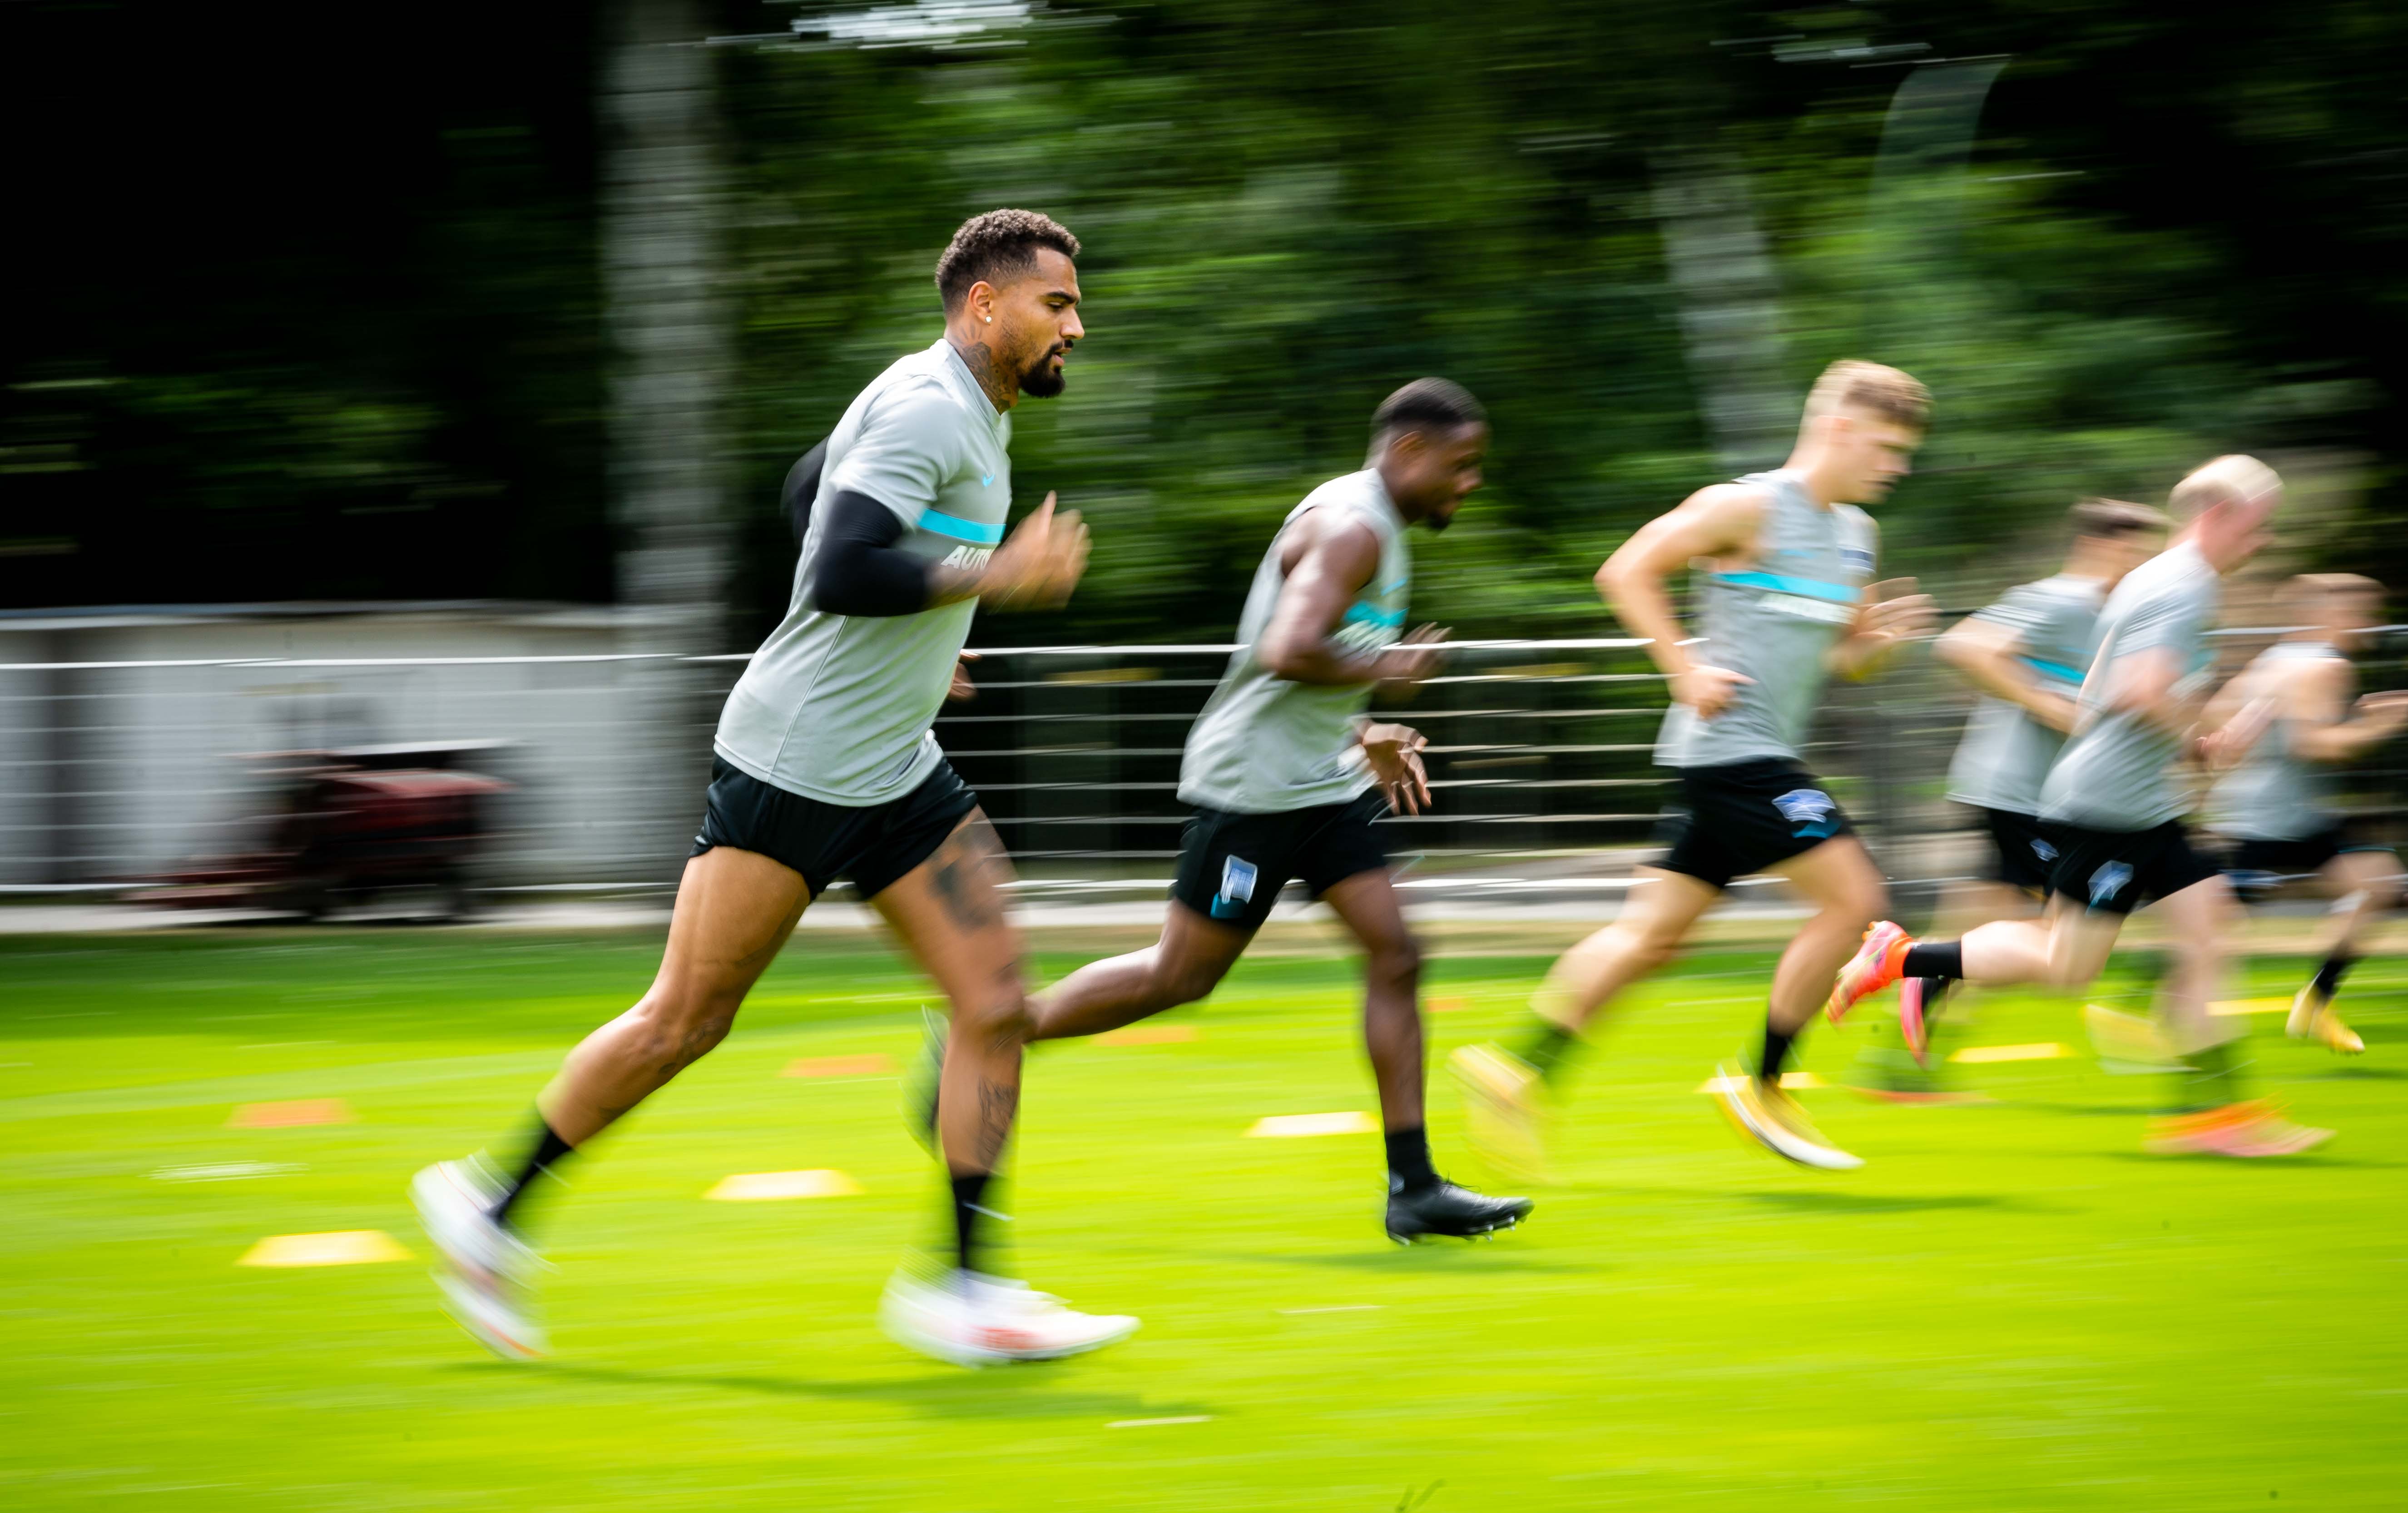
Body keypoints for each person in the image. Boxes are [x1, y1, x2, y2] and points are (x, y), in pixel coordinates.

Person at [411, 208, 1136, 1366]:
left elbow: (809, 491)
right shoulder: (927, 405)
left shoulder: (957, 405)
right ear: (986, 306)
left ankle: (962, 1290)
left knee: (995, 1002)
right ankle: (488, 1207)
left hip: (893, 766)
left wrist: (935, 620)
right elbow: (842, 560)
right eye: (1057, 303)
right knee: (682, 1024)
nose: (1076, 326)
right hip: (795, 766)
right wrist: (991, 578)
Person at [1005, 380, 1533, 1243]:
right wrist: (1389, 671)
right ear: (1407, 452)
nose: (1468, 482)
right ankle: (999, 1031)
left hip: (1323, 784)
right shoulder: (1351, 527)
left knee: (1396, 953)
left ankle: (1414, 1186)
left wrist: (1365, 729)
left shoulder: (1377, 529)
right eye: (1459, 464)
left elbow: (1319, 652)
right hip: (1251, 789)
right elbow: (1286, 650)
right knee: (1182, 976)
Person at [1452, 361, 1936, 1172]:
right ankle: (1767, 1085)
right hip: (1732, 751)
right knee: (1855, 901)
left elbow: (1843, 657)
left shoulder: (1857, 537)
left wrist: (1874, 650)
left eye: (1905, 452)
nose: (1899, 466)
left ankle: (1515, 1072)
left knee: (1647, 939)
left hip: (1736, 758)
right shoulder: (1742, 507)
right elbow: (1625, 570)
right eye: (1887, 447)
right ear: (1839, 429)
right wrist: (1682, 667)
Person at [1828, 455, 2334, 1157]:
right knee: (2067, 965)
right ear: (2218, 516)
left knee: (2209, 933)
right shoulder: (2184, 586)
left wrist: (2174, 746)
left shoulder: (2150, 578)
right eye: (2259, 525)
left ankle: (2215, 1117)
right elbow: (2139, 688)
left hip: (2137, 801)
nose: (2264, 540)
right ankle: (1902, 957)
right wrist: (2202, 742)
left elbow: (2103, 681)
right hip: (2114, 808)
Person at [1879, 499, 2166, 1073]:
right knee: (2085, 926)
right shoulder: (2062, 598)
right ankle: (1915, 974)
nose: (2142, 564)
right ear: (2100, 545)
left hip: (2038, 794)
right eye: (2134, 551)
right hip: (2019, 794)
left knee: (1987, 919)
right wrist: (2052, 708)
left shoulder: (2114, 612)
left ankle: (1904, 1052)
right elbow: (1962, 646)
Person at [2202, 573, 2408, 1053]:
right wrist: (2386, 723)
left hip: (2254, 809)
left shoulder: (2275, 659)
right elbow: (2315, 746)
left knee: (2378, 883)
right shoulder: (2325, 667)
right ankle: (2311, 1002)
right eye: (2361, 613)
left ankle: (2314, 1003)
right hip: (2279, 819)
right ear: (2329, 615)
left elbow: (2216, 713)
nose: (2370, 625)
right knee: (2210, 922)